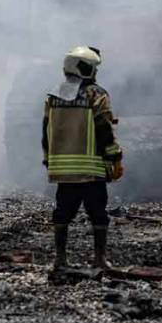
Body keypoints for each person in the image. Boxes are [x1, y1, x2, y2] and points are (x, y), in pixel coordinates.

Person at [42, 46, 124, 270]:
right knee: (98, 214)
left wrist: (48, 160)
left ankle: (60, 260)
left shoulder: (53, 96)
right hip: (91, 170)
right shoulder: (96, 95)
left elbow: (46, 130)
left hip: (63, 170)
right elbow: (104, 129)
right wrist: (114, 157)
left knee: (62, 213)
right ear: (86, 69)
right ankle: (99, 259)